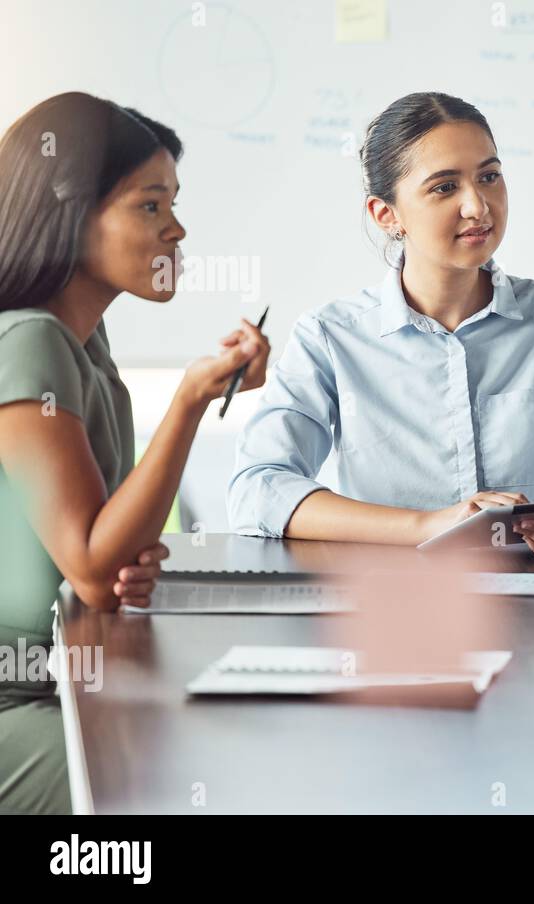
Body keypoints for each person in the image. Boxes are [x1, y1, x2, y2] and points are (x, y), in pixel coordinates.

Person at [228, 92, 534, 560]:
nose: (478, 207)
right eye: (444, 187)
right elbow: (259, 489)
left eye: (489, 177)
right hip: (391, 604)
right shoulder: (330, 337)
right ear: (387, 214)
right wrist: (432, 525)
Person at [0, 93, 271, 813]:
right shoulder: (29, 341)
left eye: (172, 204)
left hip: (56, 679)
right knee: (186, 779)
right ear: (70, 211)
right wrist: (188, 401)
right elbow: (93, 569)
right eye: (150, 206)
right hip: (16, 708)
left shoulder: (86, 343)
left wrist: (126, 555)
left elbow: (104, 553)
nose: (176, 229)